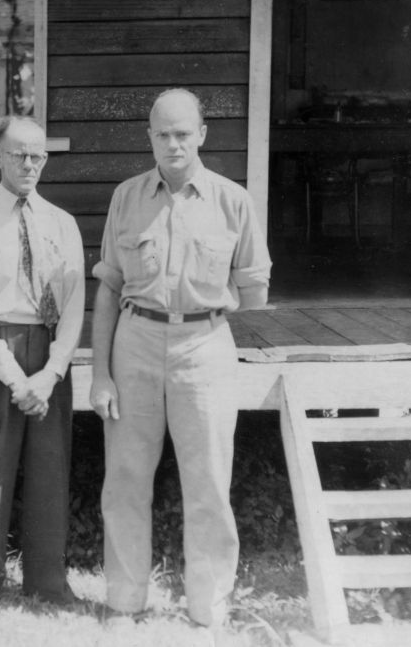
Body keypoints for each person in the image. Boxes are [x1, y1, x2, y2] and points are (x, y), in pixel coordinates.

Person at [89, 88, 272, 633]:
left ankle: (207, 606)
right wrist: (100, 373)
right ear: (149, 136)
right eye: (162, 134)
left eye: (183, 133)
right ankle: (124, 601)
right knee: (124, 479)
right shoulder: (126, 197)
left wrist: (207, 306)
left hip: (205, 346)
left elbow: (255, 289)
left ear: (202, 136)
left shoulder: (231, 200)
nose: (173, 144)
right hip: (135, 340)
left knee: (210, 481)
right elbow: (108, 289)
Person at [0, 116, 85, 604]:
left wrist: (49, 375)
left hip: (49, 357)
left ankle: (48, 583)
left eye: (37, 155)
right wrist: (14, 377)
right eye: (18, 154)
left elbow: (73, 306)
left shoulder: (62, 224)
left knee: (51, 472)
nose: (29, 164)